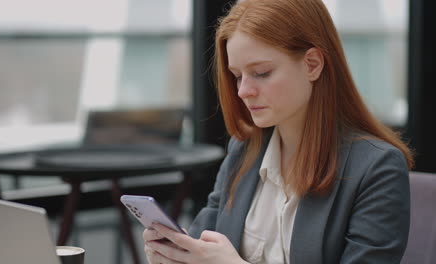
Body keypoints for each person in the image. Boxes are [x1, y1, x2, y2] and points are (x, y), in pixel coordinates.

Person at [143, 0, 414, 263]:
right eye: (237, 75)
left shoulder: (377, 169)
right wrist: (175, 255)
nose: (242, 91)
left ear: (312, 64)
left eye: (261, 72)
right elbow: (204, 240)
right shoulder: (244, 150)